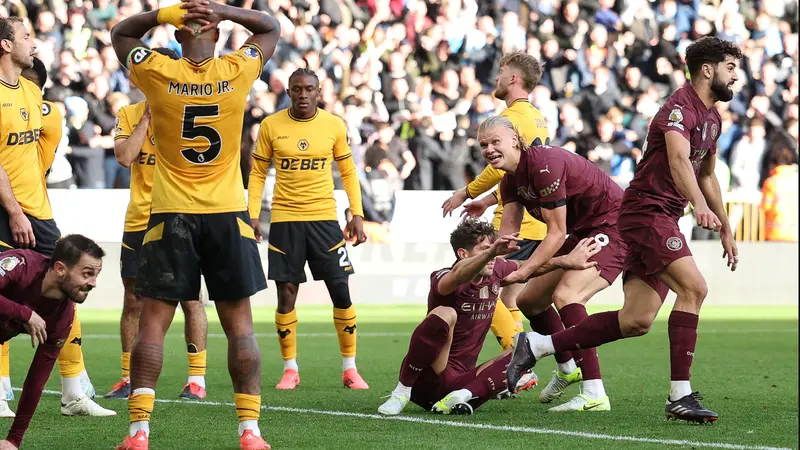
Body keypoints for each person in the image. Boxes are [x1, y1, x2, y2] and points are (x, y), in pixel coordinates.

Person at [505, 37, 743, 423]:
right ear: (707, 69)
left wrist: (726, 228)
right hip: (646, 213)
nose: (736, 76)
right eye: (730, 68)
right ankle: (679, 396)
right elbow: (680, 161)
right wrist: (698, 205)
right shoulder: (678, 110)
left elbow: (707, 174)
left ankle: (538, 345)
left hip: (661, 215)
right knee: (694, 289)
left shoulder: (712, 118)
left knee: (636, 321)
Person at [110, 0, 280, 448]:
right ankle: (250, 432)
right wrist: (225, 9)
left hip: (170, 213)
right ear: (220, 36)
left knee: (152, 323)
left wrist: (166, 14)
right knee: (239, 325)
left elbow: (122, 34)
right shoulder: (237, 71)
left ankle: (138, 433)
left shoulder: (158, 74)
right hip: (226, 213)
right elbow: (270, 26)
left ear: (178, 38)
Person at [376, 218, 601, 416]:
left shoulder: (495, 271)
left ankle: (465, 396)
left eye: (492, 248)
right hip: (427, 379)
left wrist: (564, 261)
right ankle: (401, 393)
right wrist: (491, 253)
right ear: (463, 254)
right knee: (445, 313)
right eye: (484, 249)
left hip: (461, 381)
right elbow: (457, 275)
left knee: (525, 348)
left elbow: (525, 266)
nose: (492, 254)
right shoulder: (444, 277)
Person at [0, 18, 111, 419]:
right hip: (8, 211)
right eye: (26, 36)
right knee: (6, 295)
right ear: (4, 45)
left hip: (39, 212)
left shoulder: (34, 95)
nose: (35, 43)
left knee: (66, 290)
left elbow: (38, 161)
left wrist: (28, 205)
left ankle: (73, 391)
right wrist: (13, 210)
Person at [476, 115, 626, 412]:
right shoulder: (510, 181)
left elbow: (555, 234)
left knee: (567, 295)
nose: (489, 149)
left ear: (515, 140)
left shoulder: (544, 165)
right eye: (483, 145)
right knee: (530, 301)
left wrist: (524, 270)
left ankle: (595, 393)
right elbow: (508, 236)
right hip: (584, 230)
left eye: (496, 141)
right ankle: (569, 368)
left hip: (615, 223)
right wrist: (484, 264)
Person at [440, 52, 567, 392]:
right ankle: (561, 362)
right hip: (535, 219)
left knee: (481, 287)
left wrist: (464, 192)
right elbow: (520, 172)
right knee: (511, 300)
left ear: (513, 79)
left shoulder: (510, 119)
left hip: (517, 224)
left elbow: (499, 167)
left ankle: (519, 361)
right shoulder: (538, 117)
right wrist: (485, 199)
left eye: (500, 73)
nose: (496, 78)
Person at [248, 68, 369, 391]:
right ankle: (290, 368)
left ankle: (350, 368)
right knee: (286, 295)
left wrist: (356, 213)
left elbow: (348, 171)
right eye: (297, 89)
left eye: (309, 89)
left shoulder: (333, 125)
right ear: (288, 91)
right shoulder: (271, 126)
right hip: (285, 220)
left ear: (319, 92)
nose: (303, 95)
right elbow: (258, 172)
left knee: (340, 290)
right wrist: (252, 213)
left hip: (325, 220)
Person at [104, 48, 210, 401]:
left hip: (181, 218)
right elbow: (123, 157)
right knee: (133, 300)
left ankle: (196, 380)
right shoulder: (128, 114)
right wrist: (147, 120)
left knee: (191, 300)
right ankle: (128, 379)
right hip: (139, 221)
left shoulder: (190, 114)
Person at [0, 235, 106, 450]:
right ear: (60, 269)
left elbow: (36, 379)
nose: (93, 283)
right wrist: (25, 313)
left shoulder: (62, 318)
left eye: (96, 275)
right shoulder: (21, 265)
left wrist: (14, 440)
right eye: (87, 273)